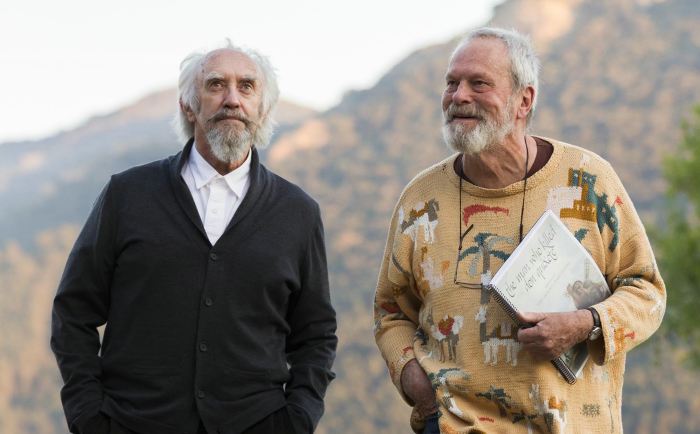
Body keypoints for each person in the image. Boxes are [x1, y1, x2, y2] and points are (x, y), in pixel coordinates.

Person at [373, 27, 665, 434]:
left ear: (523, 100)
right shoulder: (419, 202)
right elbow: (390, 312)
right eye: (452, 83)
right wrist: (419, 388)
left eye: (479, 83)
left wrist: (584, 323)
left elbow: (648, 293)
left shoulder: (589, 181)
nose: (459, 96)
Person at [51, 41, 337, 434]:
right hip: (133, 422)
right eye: (216, 85)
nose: (232, 99)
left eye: (247, 87)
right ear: (188, 106)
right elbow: (73, 311)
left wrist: (297, 420)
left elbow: (316, 335)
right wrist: (88, 416)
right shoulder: (127, 195)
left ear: (263, 110)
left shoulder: (298, 212)